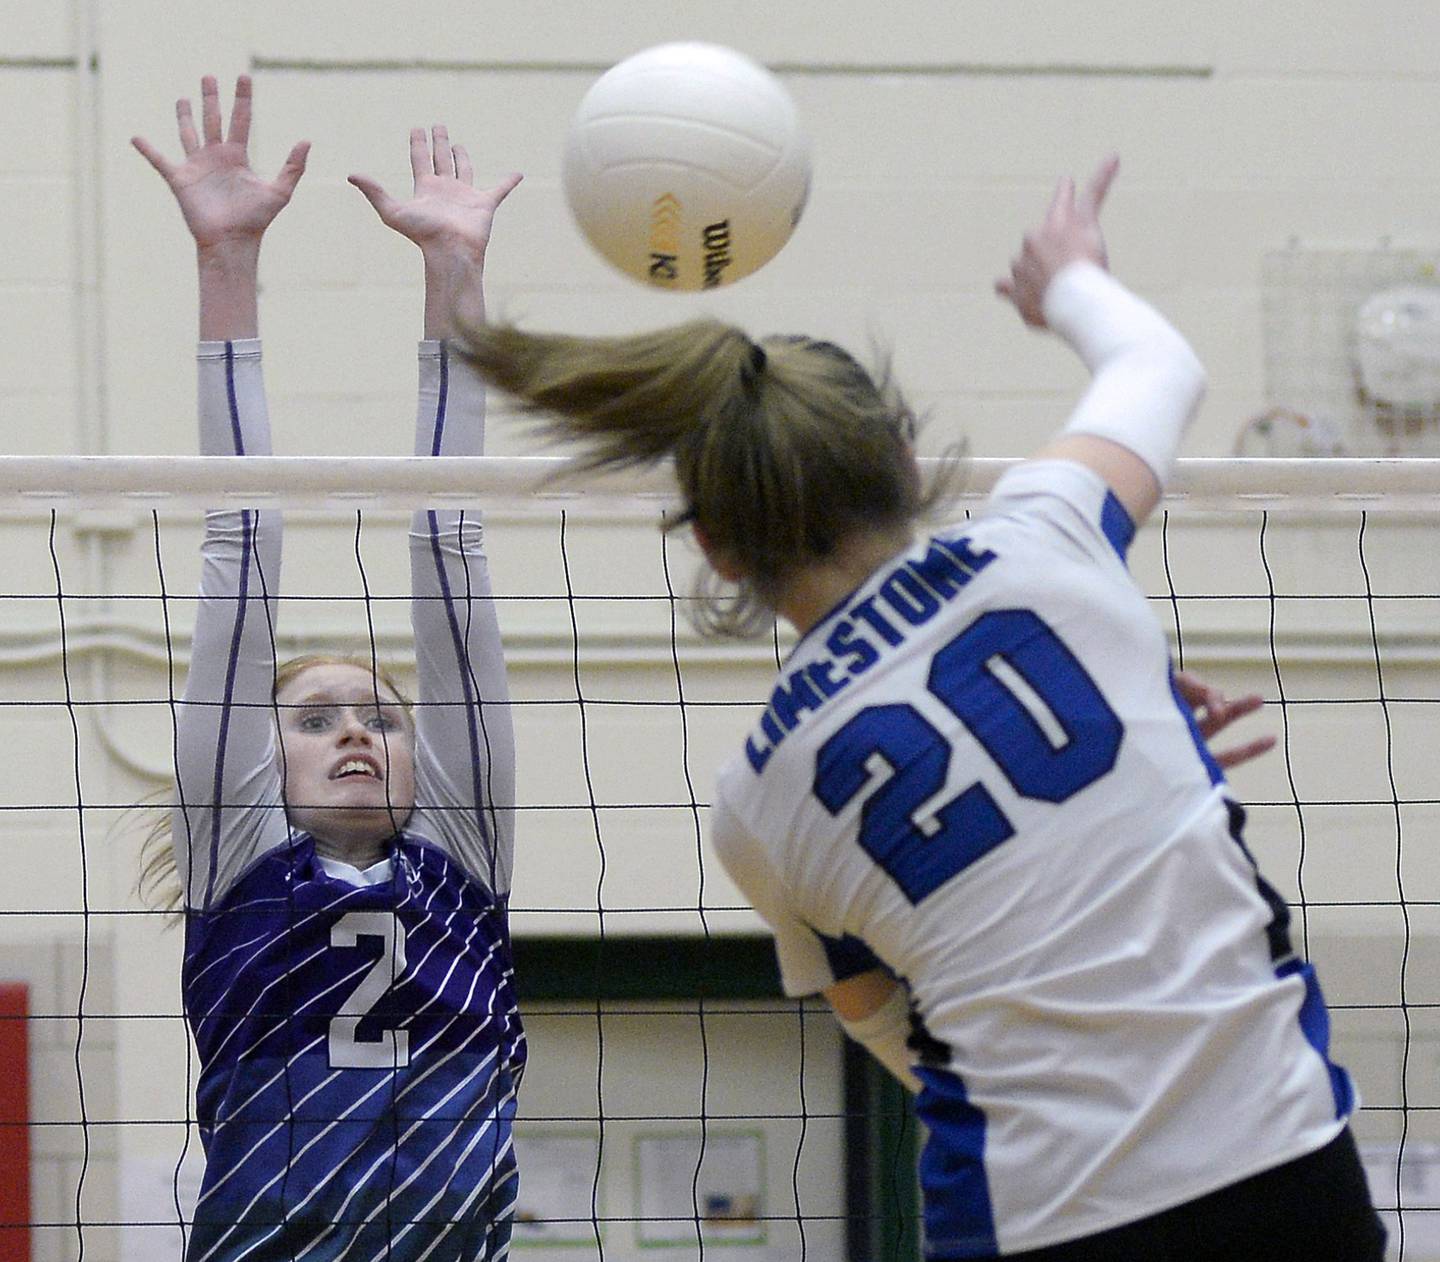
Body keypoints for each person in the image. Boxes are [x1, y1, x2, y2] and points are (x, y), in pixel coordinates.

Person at [455, 158, 1385, 1258]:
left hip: (1039, 1212)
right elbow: (1158, 361)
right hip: (1280, 1159)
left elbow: (881, 1019)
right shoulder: (1047, 536)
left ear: (712, 543)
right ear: (901, 451)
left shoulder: (759, 798)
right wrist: (1069, 278)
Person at [133, 76, 526, 1260]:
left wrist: (454, 279)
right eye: (316, 718)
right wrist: (227, 268)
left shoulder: (460, 854)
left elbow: (449, 533)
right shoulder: (239, 855)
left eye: (381, 716)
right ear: (265, 757)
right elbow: (239, 531)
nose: (359, 730)